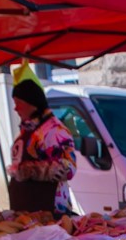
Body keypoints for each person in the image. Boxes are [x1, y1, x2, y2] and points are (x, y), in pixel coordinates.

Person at [7, 79, 77, 214]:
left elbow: (69, 168)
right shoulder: (28, 129)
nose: (15, 108)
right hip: (26, 208)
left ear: (31, 102)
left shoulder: (54, 131)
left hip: (47, 209)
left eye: (18, 103)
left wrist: (30, 170)